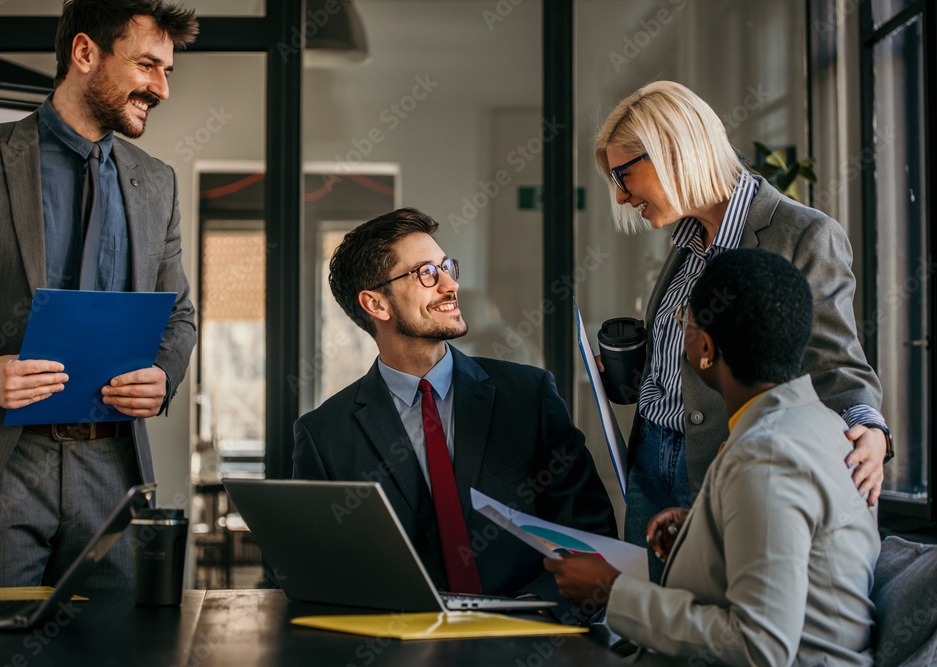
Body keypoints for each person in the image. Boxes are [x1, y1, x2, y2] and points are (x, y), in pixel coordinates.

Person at [0, 0, 198, 589]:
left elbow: (179, 314)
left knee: (119, 639)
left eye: (166, 71)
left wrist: (164, 375)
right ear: (84, 53)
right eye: (146, 65)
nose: (161, 88)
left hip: (114, 470)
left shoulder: (157, 182)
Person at [595, 81, 888, 581]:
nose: (621, 196)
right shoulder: (687, 239)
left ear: (672, 151)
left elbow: (835, 363)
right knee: (643, 616)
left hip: (721, 467)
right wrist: (640, 372)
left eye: (624, 175)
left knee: (703, 617)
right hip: (649, 463)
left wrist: (872, 430)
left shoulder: (802, 235)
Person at [547, 248, 880, 666]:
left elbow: (758, 647)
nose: (681, 332)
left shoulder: (765, 460)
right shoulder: (824, 425)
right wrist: (709, 532)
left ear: (705, 347)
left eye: (683, 321)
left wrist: (613, 591)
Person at [293, 208, 616, 603]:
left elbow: (589, 532)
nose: (451, 284)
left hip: (533, 631)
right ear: (376, 304)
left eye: (447, 267)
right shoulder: (325, 435)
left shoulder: (528, 396)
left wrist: (535, 614)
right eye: (426, 273)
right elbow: (314, 567)